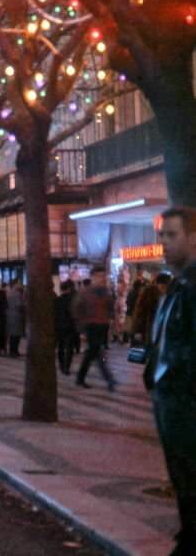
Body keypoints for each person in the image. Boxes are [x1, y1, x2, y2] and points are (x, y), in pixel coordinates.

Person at [144, 207, 196, 556]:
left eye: (172, 235)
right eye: (162, 235)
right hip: (169, 399)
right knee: (183, 480)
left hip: (186, 402)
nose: (163, 243)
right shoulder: (175, 286)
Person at [73, 266, 116, 390]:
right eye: (99, 276)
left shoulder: (106, 292)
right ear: (93, 277)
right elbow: (77, 310)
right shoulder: (85, 292)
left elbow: (110, 308)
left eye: (103, 276)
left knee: (93, 353)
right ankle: (109, 379)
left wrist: (111, 319)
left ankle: (80, 378)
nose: (102, 279)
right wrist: (81, 329)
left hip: (102, 326)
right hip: (90, 326)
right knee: (96, 351)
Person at [134, 272, 172, 346]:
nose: (164, 289)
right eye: (163, 286)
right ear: (157, 284)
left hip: (162, 332)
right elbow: (139, 312)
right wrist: (138, 330)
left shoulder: (170, 295)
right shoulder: (148, 292)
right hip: (148, 330)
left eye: (167, 287)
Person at [54, 280, 76, 375]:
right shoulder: (73, 300)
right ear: (70, 288)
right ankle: (67, 367)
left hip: (59, 326)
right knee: (70, 348)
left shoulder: (57, 300)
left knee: (61, 347)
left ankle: (62, 365)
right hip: (70, 326)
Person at [6, 280, 26, 357]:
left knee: (12, 335)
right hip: (16, 316)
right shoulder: (17, 294)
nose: (20, 285)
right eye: (19, 283)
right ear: (15, 285)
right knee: (16, 335)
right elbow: (19, 305)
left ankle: (13, 351)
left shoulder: (9, 293)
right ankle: (14, 351)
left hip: (10, 316)